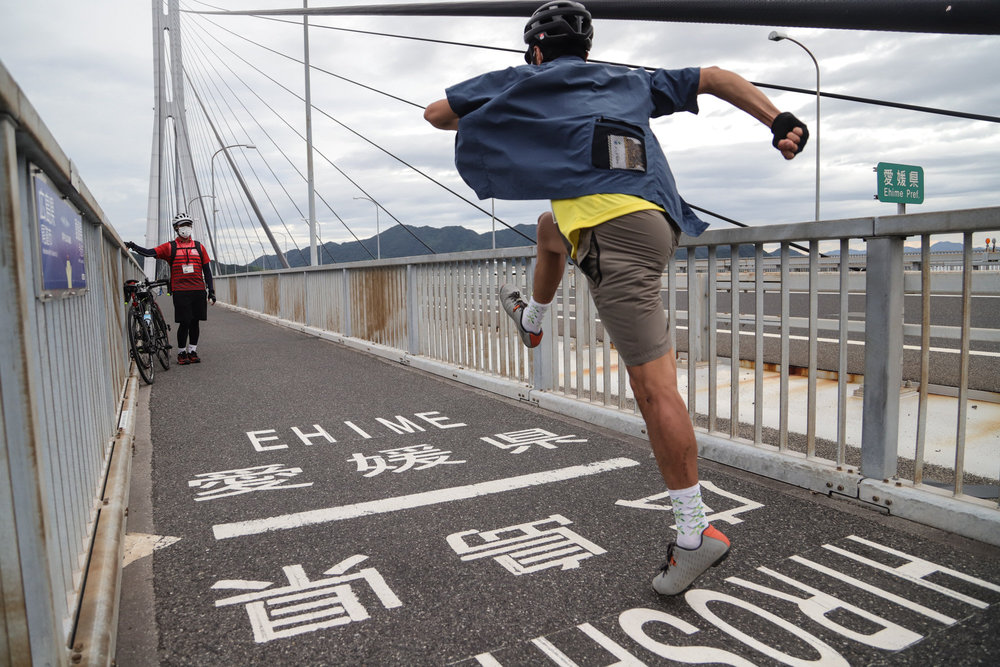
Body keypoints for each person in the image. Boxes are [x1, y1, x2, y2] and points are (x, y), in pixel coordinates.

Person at [424, 1, 808, 595]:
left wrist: (513, 95)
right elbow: (718, 77)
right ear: (588, 47)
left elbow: (436, 114)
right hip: (655, 222)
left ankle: (693, 533)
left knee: (655, 391)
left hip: (613, 236)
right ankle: (535, 314)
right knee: (550, 229)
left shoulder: (526, 77)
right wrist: (778, 118)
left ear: (536, 50)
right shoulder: (627, 81)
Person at [126, 213, 216, 365]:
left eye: (188, 224)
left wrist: (211, 291)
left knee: (195, 322)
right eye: (182, 225)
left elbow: (207, 270)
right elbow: (150, 253)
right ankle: (181, 353)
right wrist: (133, 246)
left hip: (198, 290)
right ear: (176, 228)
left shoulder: (200, 247)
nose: (186, 228)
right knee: (185, 322)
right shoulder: (170, 247)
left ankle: (192, 351)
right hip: (181, 291)